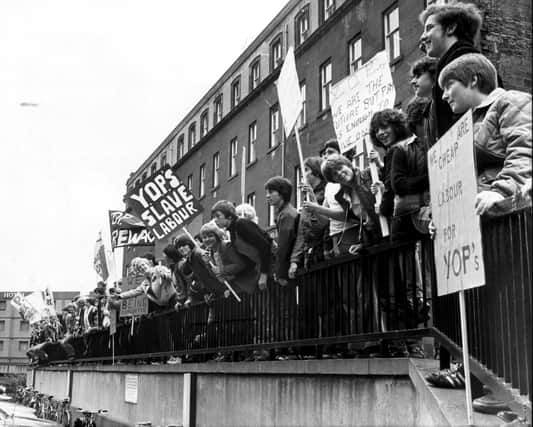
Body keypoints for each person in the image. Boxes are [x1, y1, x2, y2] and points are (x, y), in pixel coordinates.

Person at [439, 53, 532, 215]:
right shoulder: (466, 126)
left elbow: (524, 152)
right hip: (482, 219)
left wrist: (502, 192)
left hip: (508, 217)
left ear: (473, 80)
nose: (444, 95)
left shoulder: (511, 101)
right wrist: (443, 215)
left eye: (449, 85)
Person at [418, 2, 483, 146]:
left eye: (429, 28)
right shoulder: (455, 62)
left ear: (451, 28)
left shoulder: (463, 62)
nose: (422, 37)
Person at [304, 139, 359, 255]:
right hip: (335, 239)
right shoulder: (329, 185)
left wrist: (316, 208)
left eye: (330, 152)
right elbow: (324, 220)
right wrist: (312, 200)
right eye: (324, 153)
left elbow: (346, 215)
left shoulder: (346, 178)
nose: (325, 156)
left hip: (350, 233)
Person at [320, 154, 381, 249]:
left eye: (340, 168)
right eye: (335, 174)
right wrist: (363, 244)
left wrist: (378, 163)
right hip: (376, 240)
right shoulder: (341, 197)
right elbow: (362, 222)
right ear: (333, 180)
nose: (339, 173)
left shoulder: (369, 174)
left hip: (392, 229)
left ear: (347, 164)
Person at [211, 200, 274, 291]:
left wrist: (264, 274)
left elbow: (264, 246)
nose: (215, 220)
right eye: (214, 217)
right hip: (262, 268)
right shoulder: (232, 232)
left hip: (272, 264)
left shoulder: (241, 224)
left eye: (218, 216)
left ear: (229, 216)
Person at [368, 108, 413, 232]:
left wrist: (382, 209)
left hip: (405, 219)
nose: (381, 133)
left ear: (396, 126)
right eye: (376, 130)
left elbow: (393, 187)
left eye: (385, 127)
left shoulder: (396, 151)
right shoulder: (408, 146)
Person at [289, 156, 330, 278]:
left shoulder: (327, 192)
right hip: (311, 257)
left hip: (324, 253)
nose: (303, 173)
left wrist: (313, 200)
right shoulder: (306, 197)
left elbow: (325, 222)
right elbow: (302, 232)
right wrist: (294, 261)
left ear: (316, 172)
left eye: (306, 169)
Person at [265, 176, 299, 286]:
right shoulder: (286, 213)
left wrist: (280, 272)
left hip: (289, 270)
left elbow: (284, 245)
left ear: (281, 193)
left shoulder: (286, 215)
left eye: (271, 192)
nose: (267, 196)